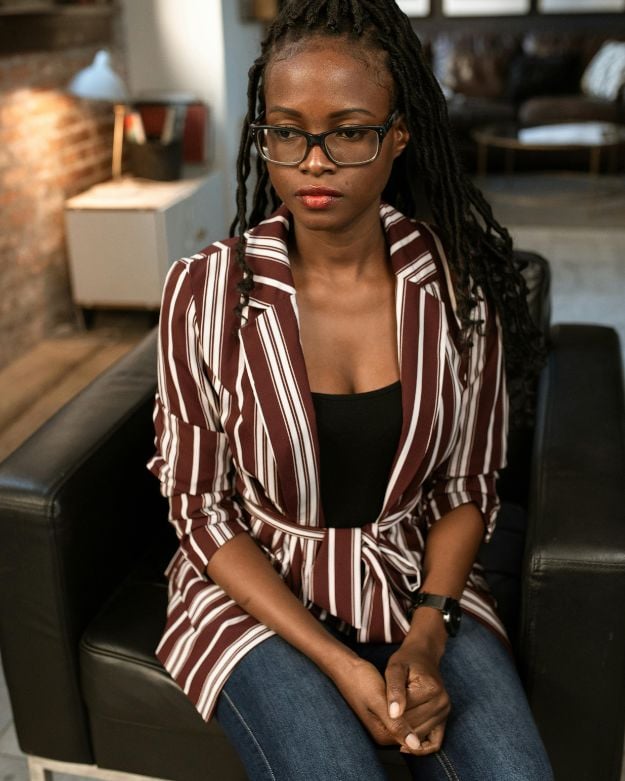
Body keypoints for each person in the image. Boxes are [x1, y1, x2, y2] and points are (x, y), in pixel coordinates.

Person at [148, 1, 553, 779]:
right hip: (253, 601)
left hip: (413, 580)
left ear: (397, 134)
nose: (314, 160)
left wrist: (426, 635)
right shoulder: (206, 293)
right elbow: (199, 510)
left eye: (349, 129)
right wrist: (340, 663)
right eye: (287, 130)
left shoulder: (457, 289)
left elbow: (466, 485)